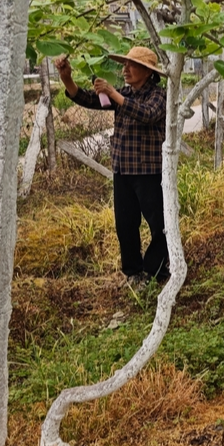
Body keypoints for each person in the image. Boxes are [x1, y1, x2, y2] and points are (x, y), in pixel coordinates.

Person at [54, 46, 169, 284]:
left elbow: (146, 114)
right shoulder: (124, 93)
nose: (125, 69)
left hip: (149, 170)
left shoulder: (158, 95)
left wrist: (114, 94)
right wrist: (67, 79)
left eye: (132, 65)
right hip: (122, 169)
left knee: (159, 224)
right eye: (124, 65)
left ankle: (156, 269)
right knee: (125, 225)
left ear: (148, 71)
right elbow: (87, 98)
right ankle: (134, 273)